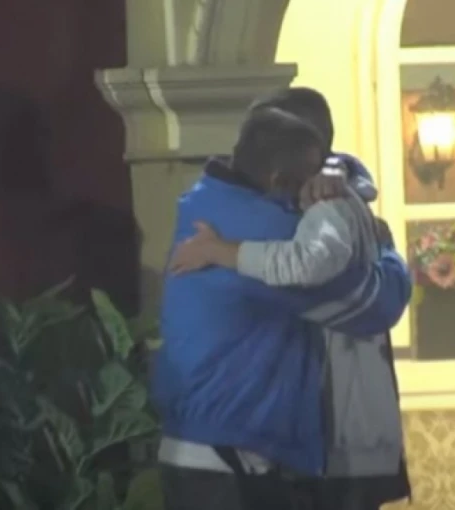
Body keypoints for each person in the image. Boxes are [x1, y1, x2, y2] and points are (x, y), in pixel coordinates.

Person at [153, 107, 411, 510]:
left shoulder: (208, 201)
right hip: (231, 466)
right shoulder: (270, 232)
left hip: (207, 452)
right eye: (311, 180)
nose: (315, 195)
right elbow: (377, 304)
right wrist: (385, 249)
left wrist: (335, 171)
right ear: (279, 181)